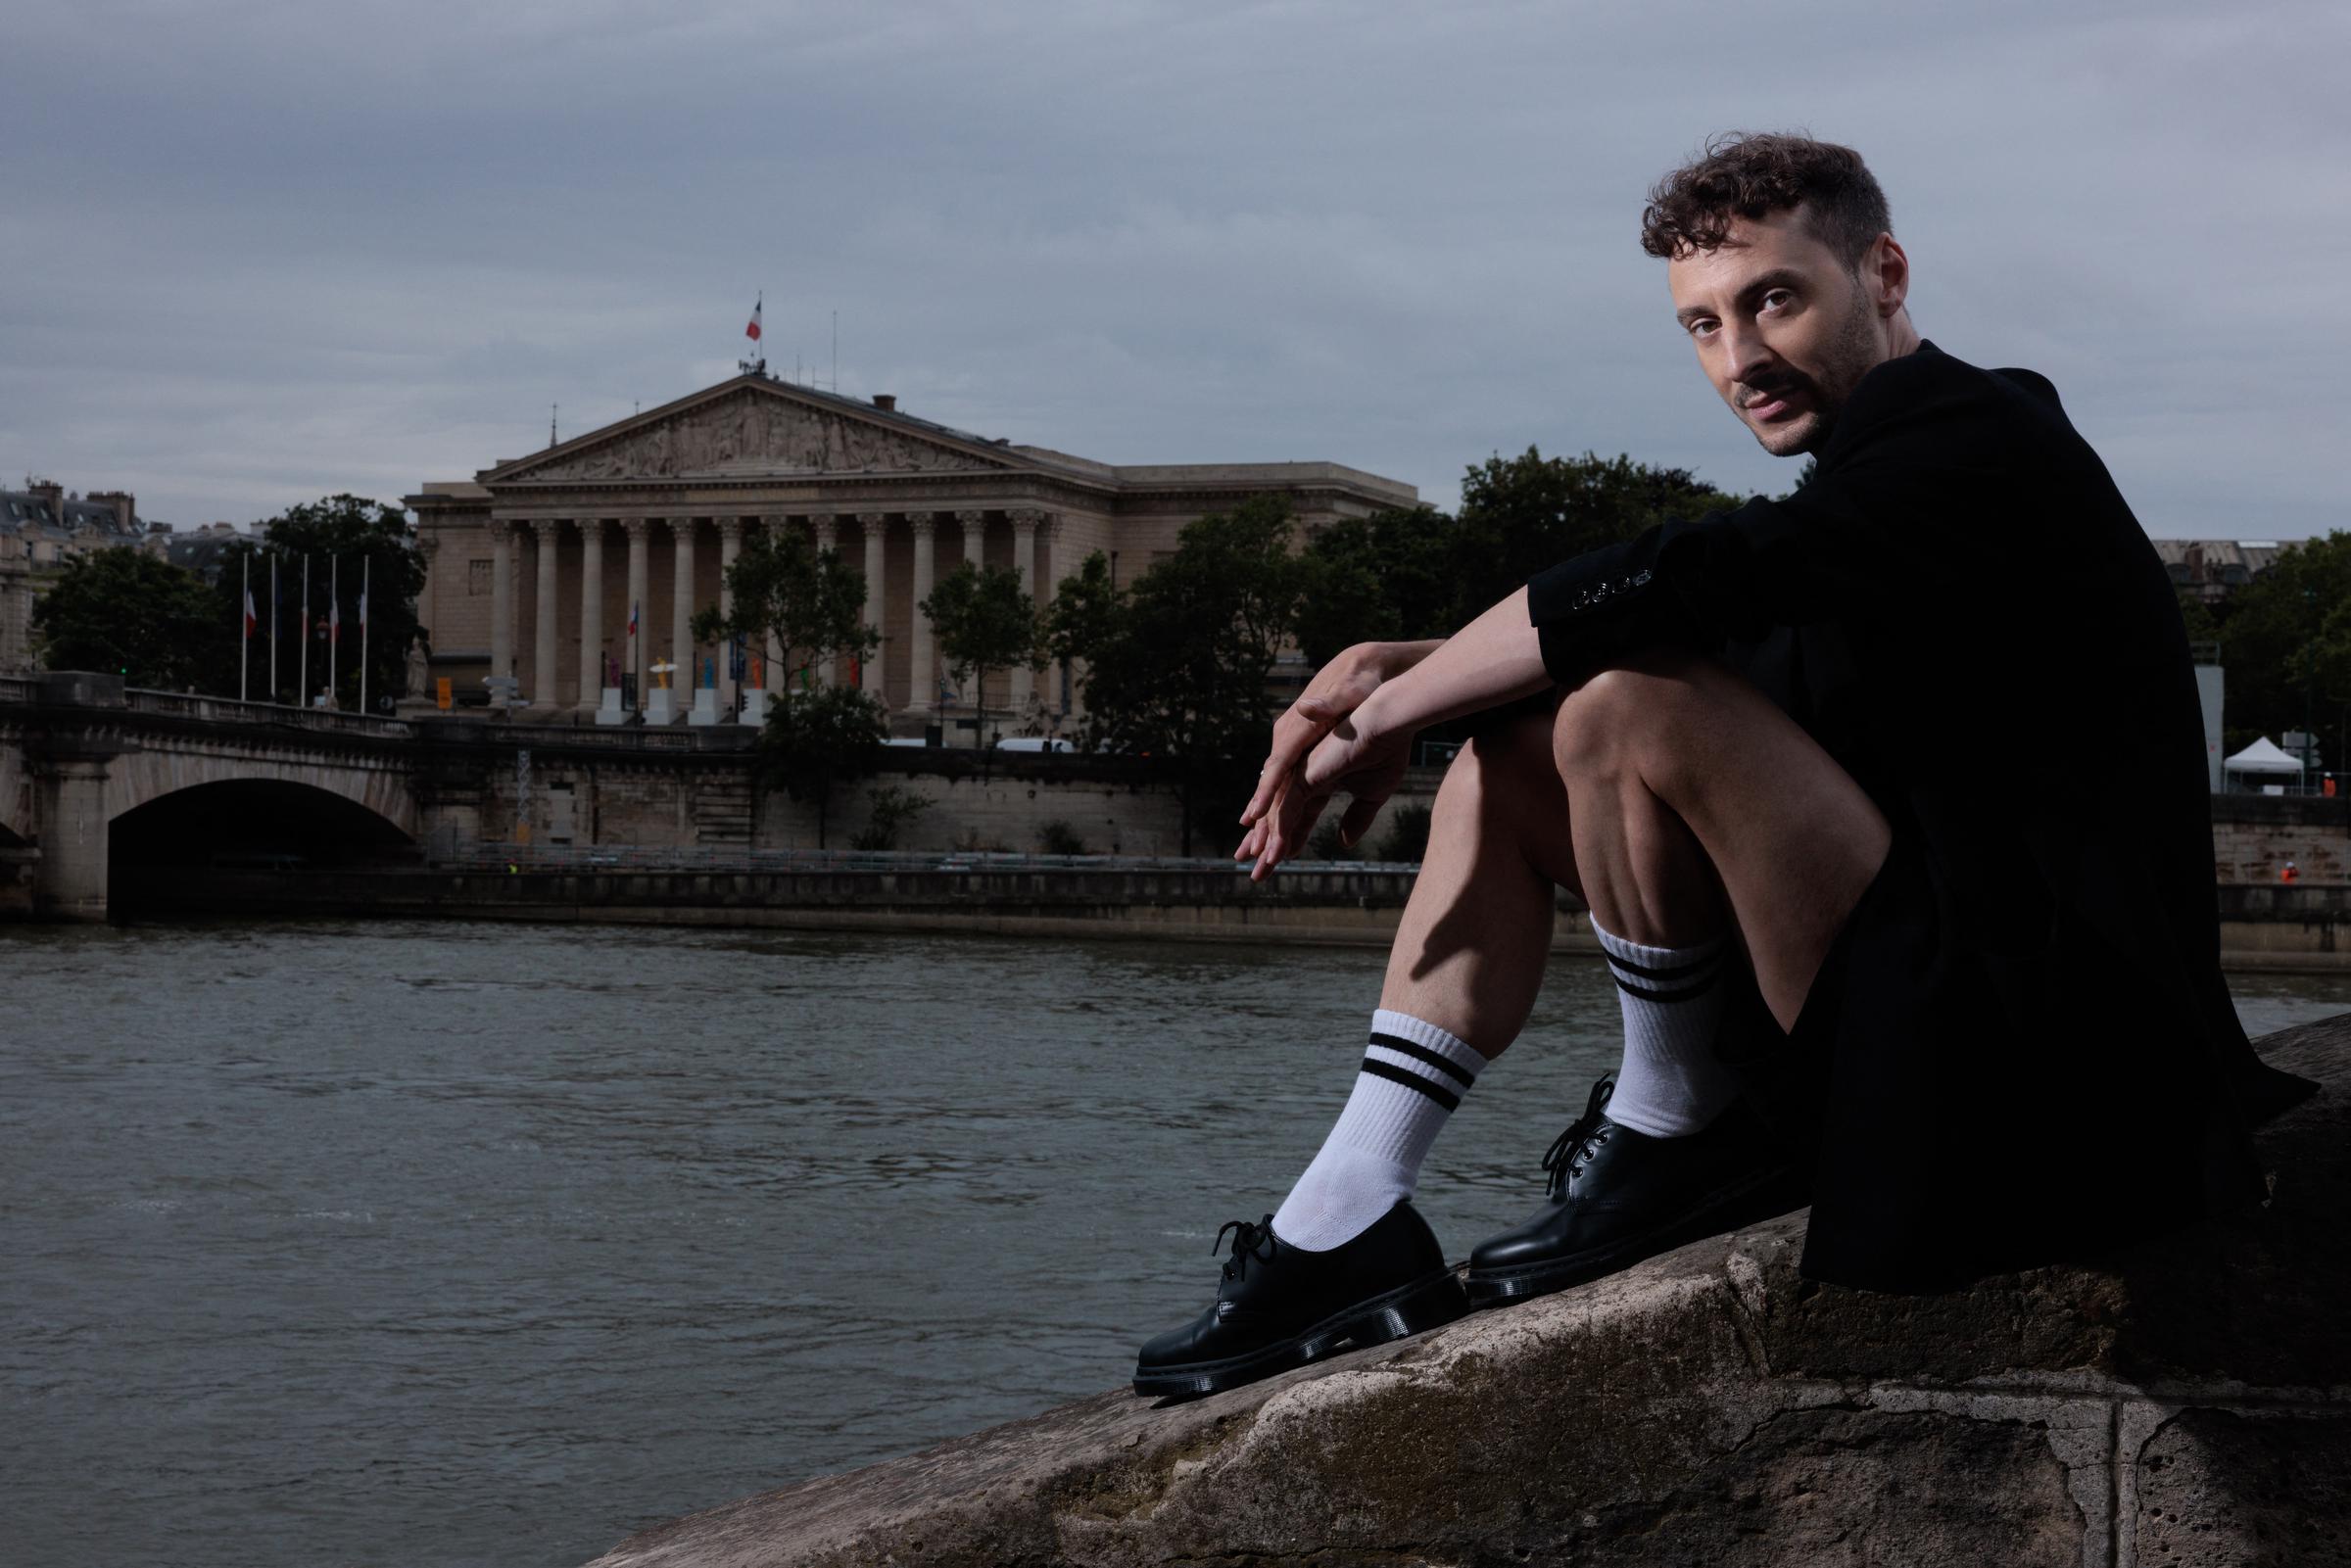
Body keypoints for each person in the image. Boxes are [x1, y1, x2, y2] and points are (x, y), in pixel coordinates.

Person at [1132, 132, 2317, 1401]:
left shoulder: (1972, 441)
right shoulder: (1910, 470)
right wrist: (1397, 669)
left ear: (1887, 274)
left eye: (1773, 300)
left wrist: (1390, 707)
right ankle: (1348, 1208)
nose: (1739, 360)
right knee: (1511, 747)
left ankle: (1673, 1120)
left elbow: (1690, 582)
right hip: (1948, 992)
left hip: (2046, 1081)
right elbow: (1735, 624)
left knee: (1623, 705)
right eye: (1701, 326)